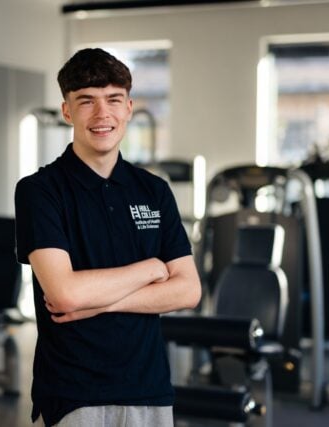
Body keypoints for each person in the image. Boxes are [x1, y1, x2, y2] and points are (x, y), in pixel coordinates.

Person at [14, 48, 201, 427]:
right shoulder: (40, 190)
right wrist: (150, 268)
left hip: (149, 388)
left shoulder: (154, 191)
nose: (103, 115)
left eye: (113, 100)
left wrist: (99, 304)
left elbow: (188, 291)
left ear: (129, 107)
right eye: (86, 101)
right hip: (75, 391)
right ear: (67, 111)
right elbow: (65, 294)